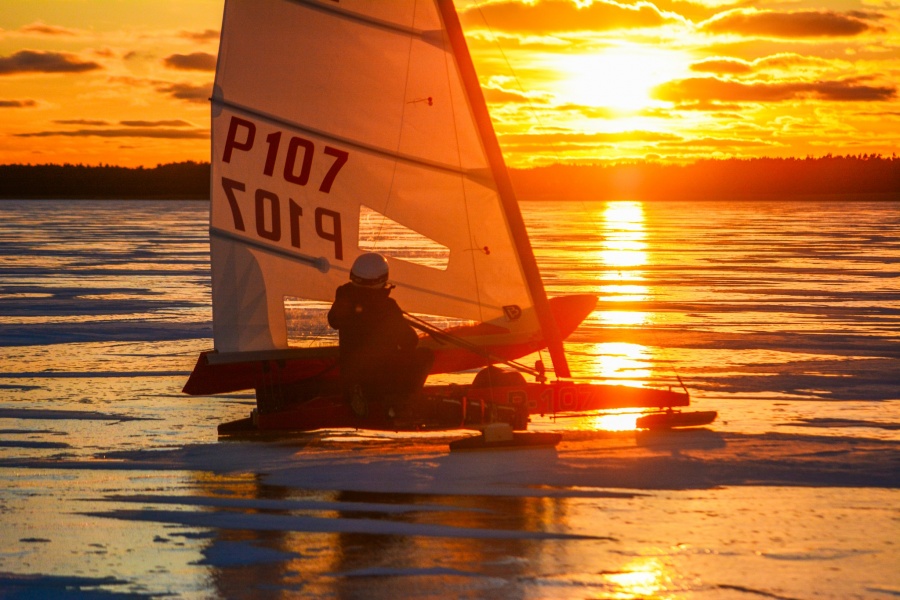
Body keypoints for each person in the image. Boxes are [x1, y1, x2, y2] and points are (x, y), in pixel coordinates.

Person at [327, 253, 432, 416]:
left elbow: (333, 320)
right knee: (425, 356)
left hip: (350, 375)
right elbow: (410, 341)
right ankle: (402, 402)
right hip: (382, 379)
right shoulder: (388, 307)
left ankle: (357, 390)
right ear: (383, 279)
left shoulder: (343, 298)